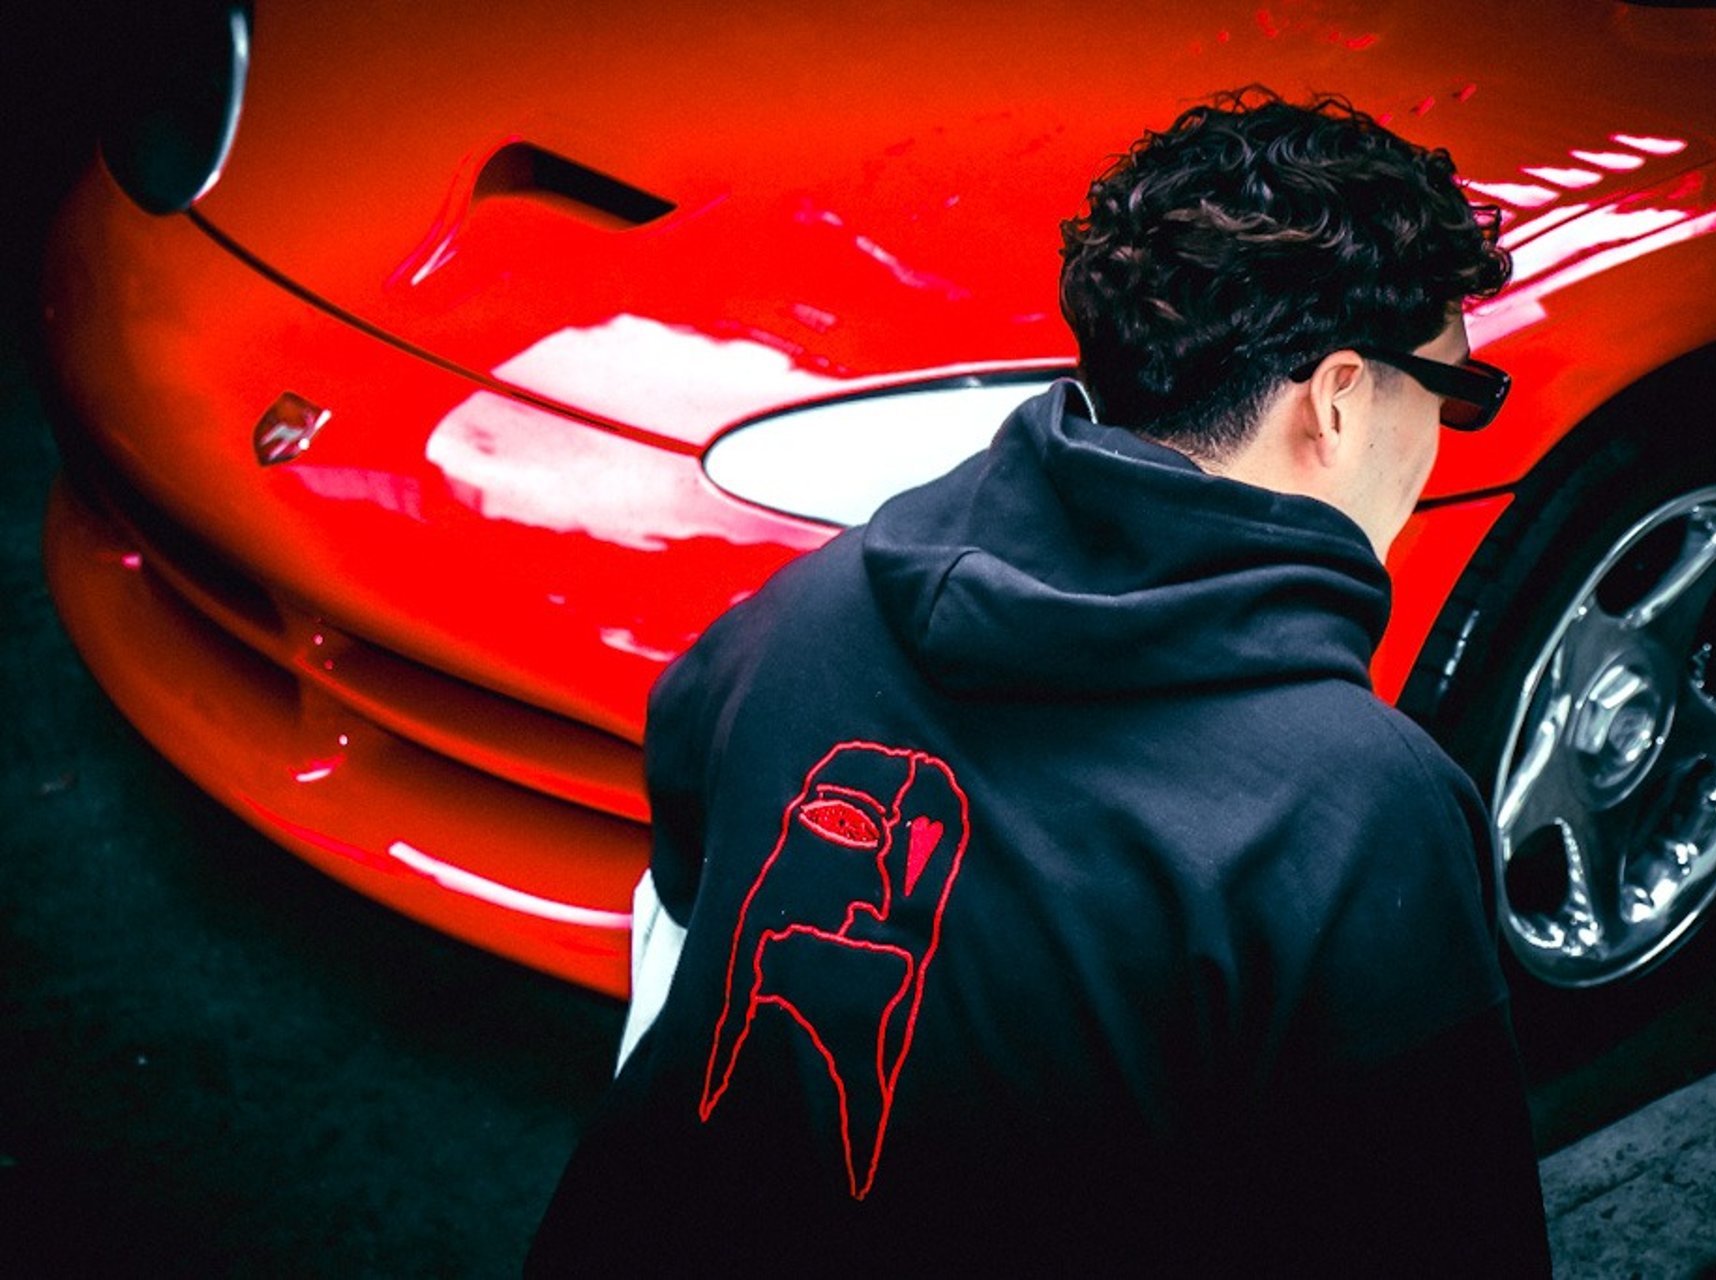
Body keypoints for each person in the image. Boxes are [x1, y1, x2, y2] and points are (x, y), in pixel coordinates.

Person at [528, 89, 1551, 1275]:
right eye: (1454, 396)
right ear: (1336, 398)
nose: (1439, 442)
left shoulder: (813, 600)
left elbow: (684, 908)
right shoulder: (1361, 811)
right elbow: (1437, 1231)